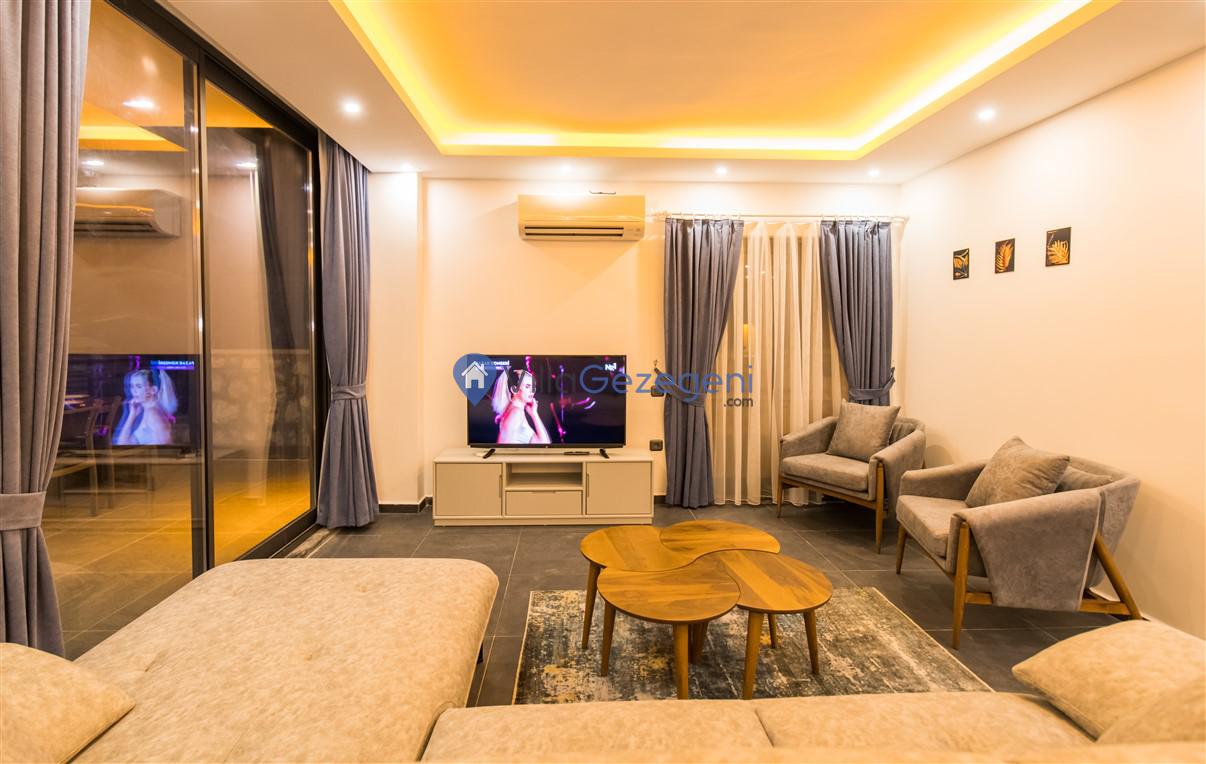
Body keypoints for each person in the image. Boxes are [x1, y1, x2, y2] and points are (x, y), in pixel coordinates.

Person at [112, 368, 177, 446]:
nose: (133, 391)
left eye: (139, 386)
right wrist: (132, 415)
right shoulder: (147, 411)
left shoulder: (153, 414)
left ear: (153, 390)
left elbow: (163, 447)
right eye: (132, 386)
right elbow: (122, 443)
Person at [489, 368, 551, 445]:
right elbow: (501, 445)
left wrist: (534, 413)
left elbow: (543, 444)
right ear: (514, 389)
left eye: (533, 386)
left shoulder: (516, 411)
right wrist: (534, 415)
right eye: (527, 387)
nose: (532, 391)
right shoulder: (516, 413)